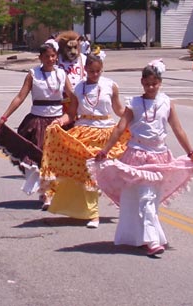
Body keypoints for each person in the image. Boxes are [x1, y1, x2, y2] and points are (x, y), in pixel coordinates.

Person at [88, 60, 193, 256]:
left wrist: (191, 153)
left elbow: (178, 130)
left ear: (160, 83)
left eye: (155, 84)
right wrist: (105, 150)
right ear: (142, 83)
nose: (151, 87)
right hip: (137, 155)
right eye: (147, 84)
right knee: (144, 198)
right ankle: (152, 240)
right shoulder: (133, 104)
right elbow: (119, 128)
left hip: (159, 156)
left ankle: (141, 236)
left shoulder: (166, 102)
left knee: (150, 198)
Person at [40, 54, 130, 221]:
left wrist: (133, 117)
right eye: (91, 71)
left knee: (112, 171)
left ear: (102, 69)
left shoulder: (111, 86)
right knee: (87, 172)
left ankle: (124, 205)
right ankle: (91, 213)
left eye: (98, 71)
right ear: (86, 69)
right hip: (84, 131)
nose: (95, 74)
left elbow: (118, 110)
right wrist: (59, 121)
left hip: (106, 132)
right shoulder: (78, 88)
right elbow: (72, 114)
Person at [0, 43, 73, 202]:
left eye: (53, 56)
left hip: (58, 122)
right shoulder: (33, 74)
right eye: (46, 56)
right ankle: (45, 193)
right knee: (41, 158)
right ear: (40, 57)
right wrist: (4, 117)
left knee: (56, 158)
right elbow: (20, 97)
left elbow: (73, 96)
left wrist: (84, 112)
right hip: (37, 121)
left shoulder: (62, 74)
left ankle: (51, 191)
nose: (50, 59)